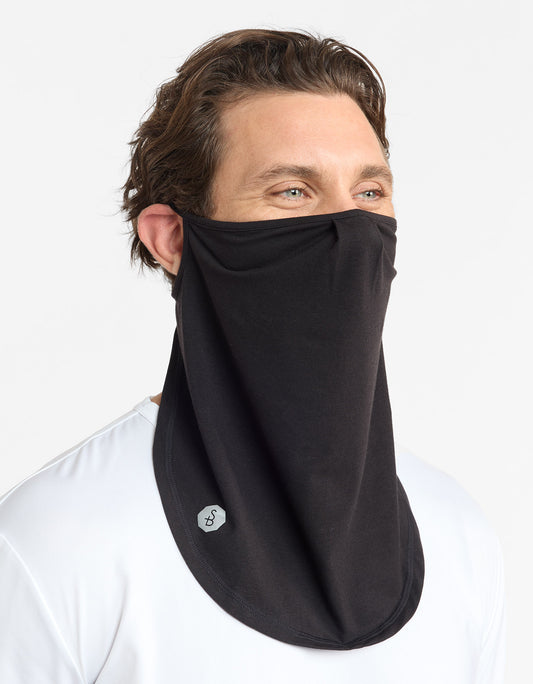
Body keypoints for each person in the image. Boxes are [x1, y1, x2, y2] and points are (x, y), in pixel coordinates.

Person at [0, 28, 505, 683]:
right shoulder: (55, 540)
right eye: (292, 191)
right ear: (172, 239)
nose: (350, 230)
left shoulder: (454, 531)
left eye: (369, 193)